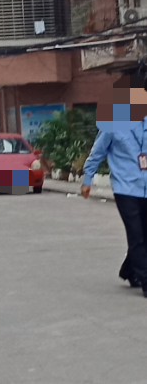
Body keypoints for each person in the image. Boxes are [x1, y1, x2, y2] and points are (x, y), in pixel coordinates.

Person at [82, 72, 147, 294]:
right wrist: (87, 180)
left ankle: (130, 270)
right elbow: (97, 153)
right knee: (136, 234)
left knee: (144, 234)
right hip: (125, 188)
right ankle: (145, 280)